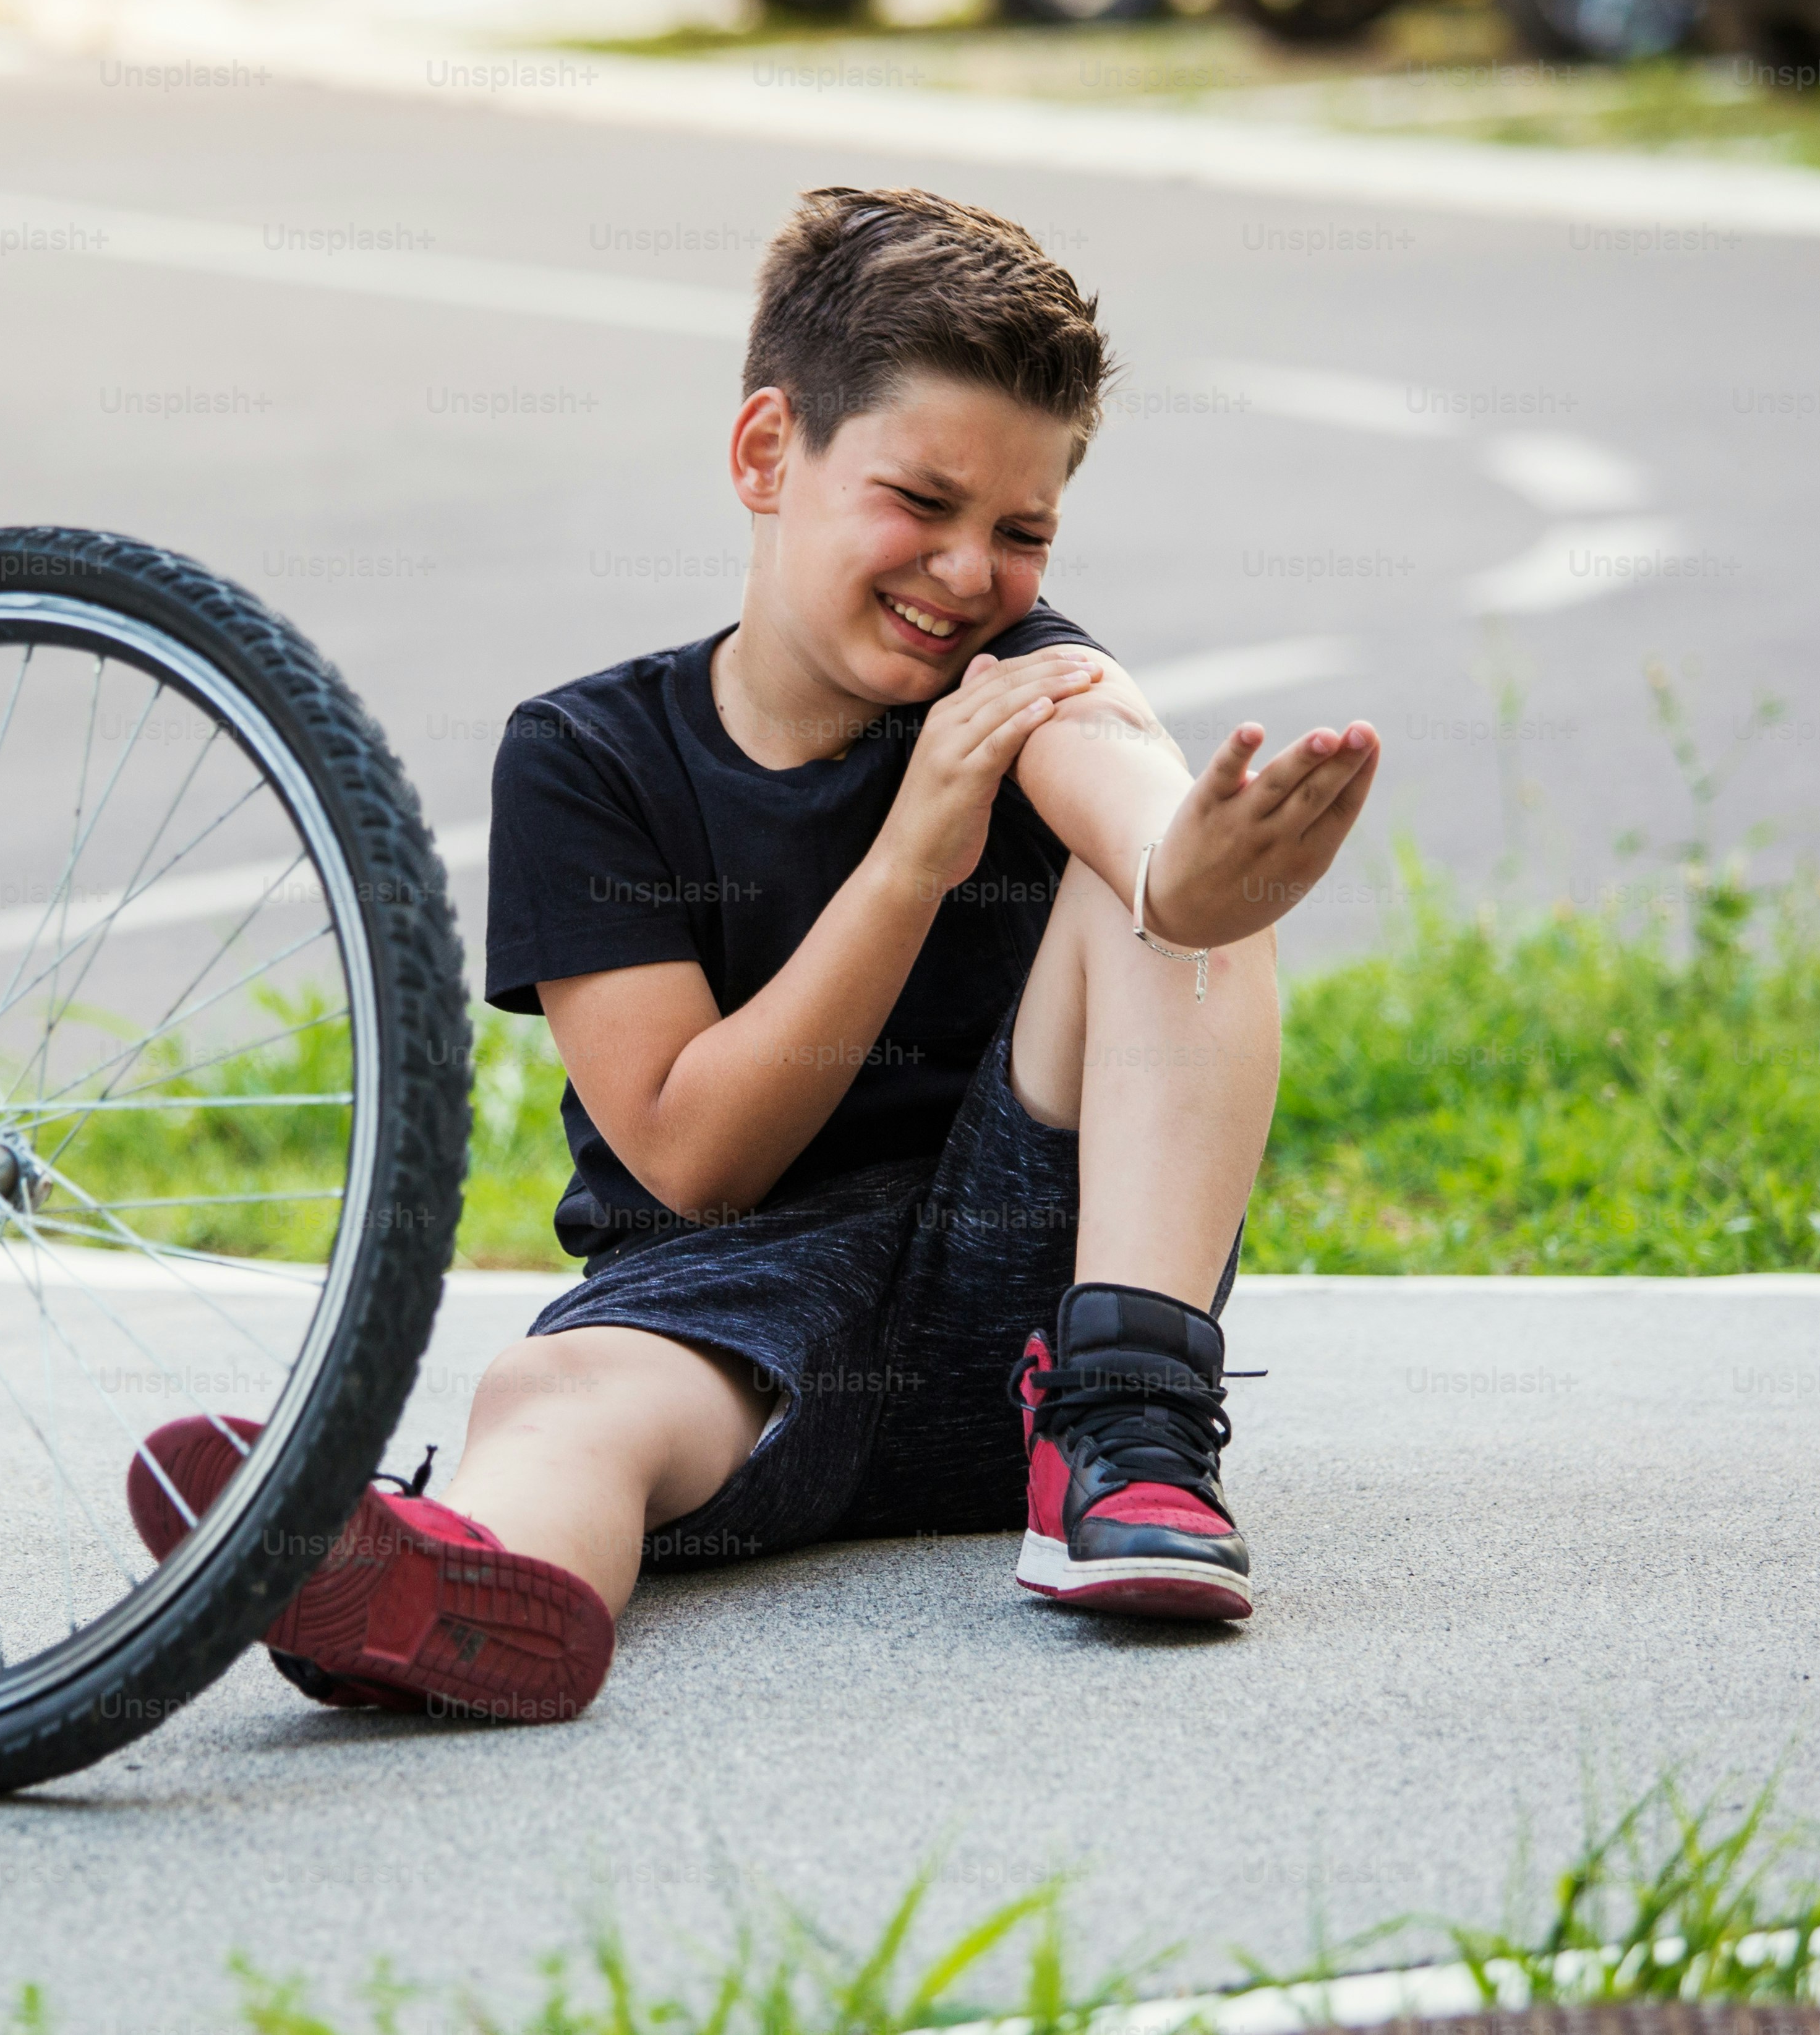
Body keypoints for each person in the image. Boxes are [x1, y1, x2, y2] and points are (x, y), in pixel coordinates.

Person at [127, 186, 1381, 1722]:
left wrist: (1207, 865)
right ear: (767, 454)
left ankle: (1132, 1438)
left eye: (1023, 530)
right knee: (554, 1393)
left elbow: (1145, 824)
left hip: (1034, 1316)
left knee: (1171, 913)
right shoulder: (587, 757)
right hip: (730, 1322)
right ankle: (460, 1595)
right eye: (922, 501)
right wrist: (914, 856)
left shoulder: (1030, 675)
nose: (970, 571)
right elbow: (691, 1158)